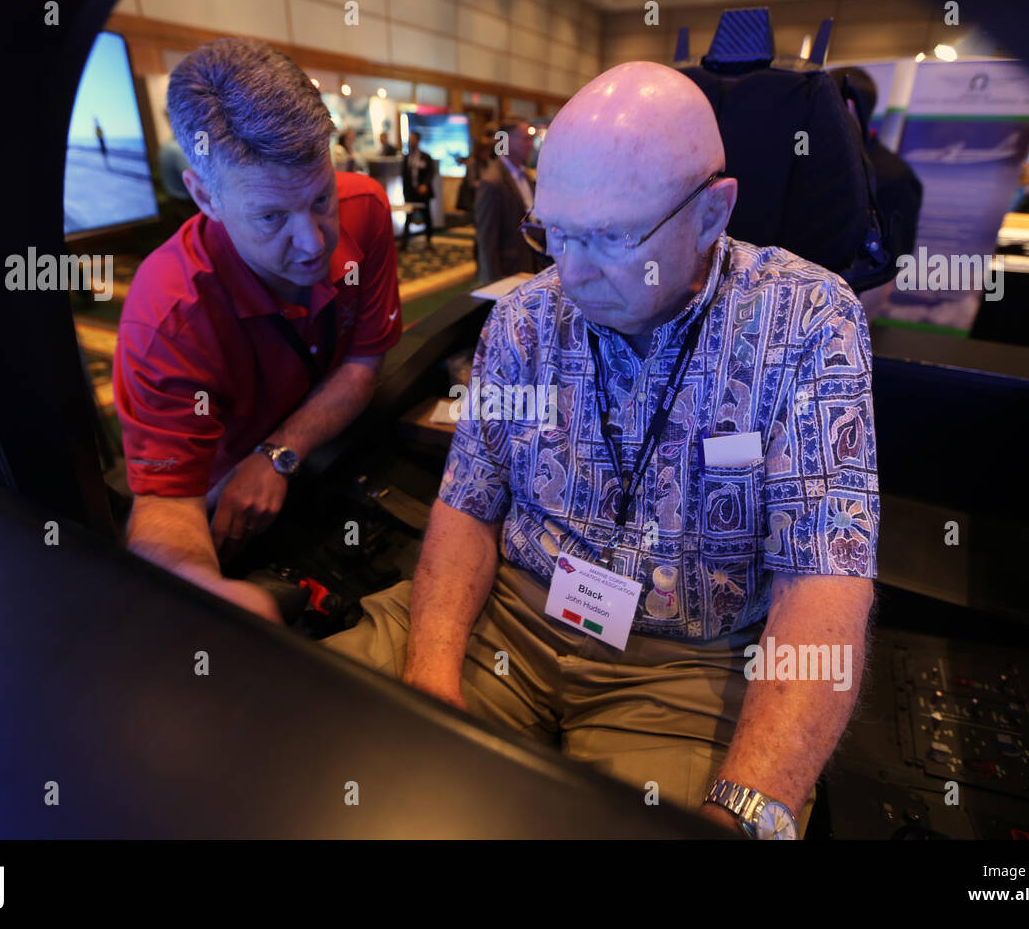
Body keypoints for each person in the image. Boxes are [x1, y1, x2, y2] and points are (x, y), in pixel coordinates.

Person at [324, 61, 878, 838]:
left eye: (613, 238)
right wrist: (431, 677)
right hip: (511, 614)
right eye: (556, 234)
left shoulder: (808, 322)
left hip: (688, 665)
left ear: (712, 213)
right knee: (322, 742)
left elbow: (824, 575)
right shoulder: (523, 318)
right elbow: (467, 503)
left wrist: (750, 807)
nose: (571, 274)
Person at [114, 38, 402, 622]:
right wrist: (207, 597)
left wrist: (277, 454)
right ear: (205, 196)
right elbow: (166, 505)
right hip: (221, 499)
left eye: (320, 198)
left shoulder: (366, 208)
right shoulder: (167, 315)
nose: (313, 242)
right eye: (272, 216)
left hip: (318, 457)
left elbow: (362, 365)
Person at [829, 67, 923, 321]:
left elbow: (888, 267)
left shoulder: (893, 177)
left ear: (849, 106)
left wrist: (855, 325)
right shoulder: (820, 159)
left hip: (850, 306)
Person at [473, 117, 550, 285]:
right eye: (525, 139)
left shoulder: (524, 176)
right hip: (508, 272)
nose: (530, 144)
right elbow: (486, 241)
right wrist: (492, 284)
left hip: (529, 266)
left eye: (531, 139)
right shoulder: (492, 182)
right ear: (505, 140)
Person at [401, 130, 435, 249]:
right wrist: (405, 192)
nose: (411, 142)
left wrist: (425, 185)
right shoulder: (407, 157)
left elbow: (431, 172)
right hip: (410, 192)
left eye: (413, 140)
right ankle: (405, 242)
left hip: (423, 192)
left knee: (427, 216)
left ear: (418, 140)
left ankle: (429, 240)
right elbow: (404, 175)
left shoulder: (425, 156)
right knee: (408, 216)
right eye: (410, 140)